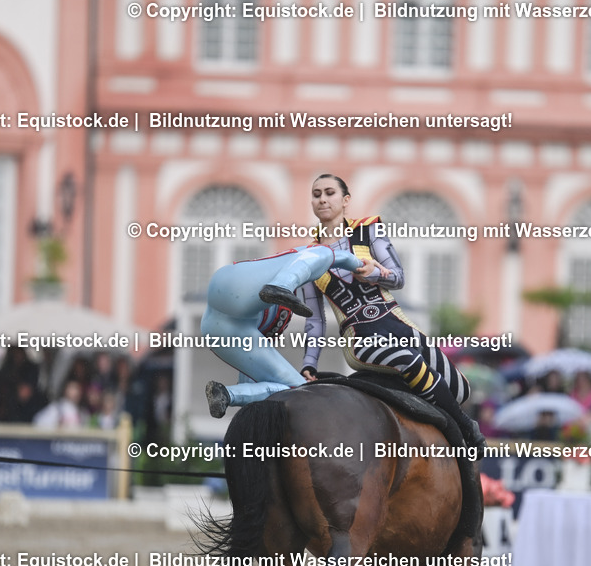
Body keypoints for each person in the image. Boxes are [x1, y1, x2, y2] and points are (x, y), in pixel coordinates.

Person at [298, 173, 487, 452]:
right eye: (316, 195)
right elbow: (315, 319)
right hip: (360, 337)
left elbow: (398, 278)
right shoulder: (307, 259)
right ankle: (465, 428)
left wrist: (373, 274)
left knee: (461, 389)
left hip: (397, 322)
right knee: (409, 362)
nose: (322, 199)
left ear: (346, 200)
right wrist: (309, 363)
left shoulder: (369, 231)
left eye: (329, 193)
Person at [203, 243, 382, 417]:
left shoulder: (293, 274)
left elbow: (251, 370)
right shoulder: (294, 260)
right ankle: (281, 285)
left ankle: (226, 394)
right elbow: (327, 253)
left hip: (221, 329)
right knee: (325, 253)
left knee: (300, 391)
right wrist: (360, 264)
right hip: (235, 286)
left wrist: (304, 381)